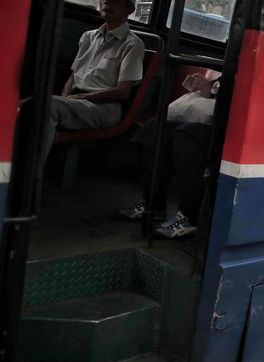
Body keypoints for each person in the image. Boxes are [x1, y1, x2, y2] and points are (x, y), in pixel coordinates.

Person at [40, 0, 144, 173]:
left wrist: (81, 98)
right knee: (34, 102)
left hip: (104, 107)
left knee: (48, 106)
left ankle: (29, 177)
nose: (107, 2)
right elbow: (73, 78)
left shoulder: (132, 44)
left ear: (129, 8)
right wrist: (66, 99)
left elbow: (122, 92)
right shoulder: (88, 37)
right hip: (77, 101)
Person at [115, 72, 219, 239]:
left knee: (186, 136)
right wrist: (204, 88)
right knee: (155, 127)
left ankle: (190, 217)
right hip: (205, 120)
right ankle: (153, 204)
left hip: (229, 126)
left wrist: (214, 91)